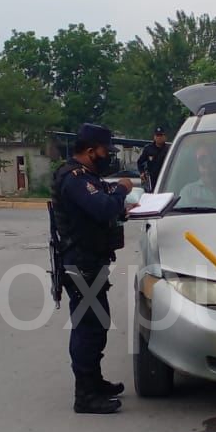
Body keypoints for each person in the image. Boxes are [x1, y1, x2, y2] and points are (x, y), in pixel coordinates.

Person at [51, 123, 133, 415]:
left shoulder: (86, 176)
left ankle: (94, 383)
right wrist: (122, 191)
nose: (107, 156)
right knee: (88, 328)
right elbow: (101, 208)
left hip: (91, 263)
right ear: (89, 151)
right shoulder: (74, 178)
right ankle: (84, 395)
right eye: (104, 151)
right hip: (81, 264)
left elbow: (97, 210)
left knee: (96, 325)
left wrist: (119, 205)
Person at [137, 126, 169, 192]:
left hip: (166, 178)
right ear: (154, 137)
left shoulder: (169, 149)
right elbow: (140, 162)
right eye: (157, 135)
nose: (159, 137)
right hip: (152, 178)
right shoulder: (148, 149)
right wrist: (142, 172)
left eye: (161, 135)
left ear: (165, 137)